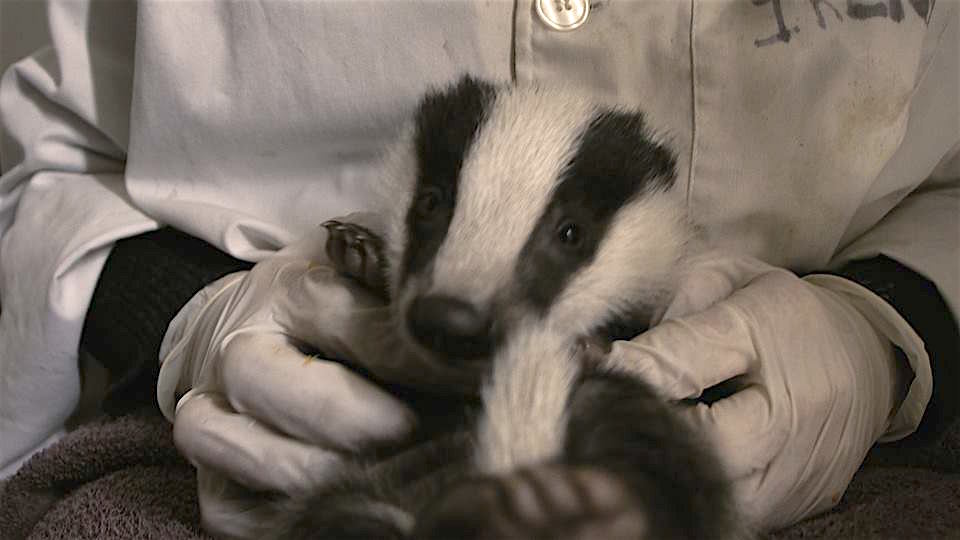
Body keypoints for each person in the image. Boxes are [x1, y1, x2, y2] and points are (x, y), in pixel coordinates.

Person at [0, 0, 956, 536]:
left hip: (831, 477)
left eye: (564, 242)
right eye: (434, 213)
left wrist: (882, 330)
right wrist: (193, 311)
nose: (458, 305)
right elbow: (56, 168)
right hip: (228, 452)